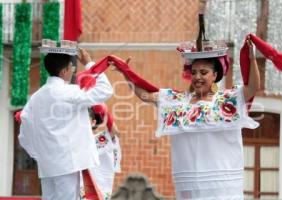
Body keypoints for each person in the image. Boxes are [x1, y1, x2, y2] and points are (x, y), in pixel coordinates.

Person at [116, 38, 260, 200]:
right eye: (193, 72)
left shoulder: (229, 99)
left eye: (203, 72)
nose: (197, 77)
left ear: (215, 75)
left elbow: (253, 87)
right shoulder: (176, 100)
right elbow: (145, 95)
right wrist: (126, 74)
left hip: (222, 187)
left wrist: (252, 58)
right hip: (189, 186)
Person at [18, 48, 113, 200]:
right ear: (64, 71)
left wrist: (40, 156)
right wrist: (90, 64)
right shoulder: (69, 92)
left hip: (47, 165)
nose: (73, 71)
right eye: (71, 68)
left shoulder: (35, 99)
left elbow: (24, 135)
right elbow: (105, 90)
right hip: (68, 164)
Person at [80, 104, 122, 200]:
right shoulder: (76, 141)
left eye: (85, 119)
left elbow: (114, 132)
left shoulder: (101, 139)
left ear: (93, 122)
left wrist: (104, 111)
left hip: (99, 190)